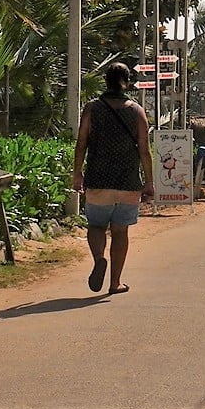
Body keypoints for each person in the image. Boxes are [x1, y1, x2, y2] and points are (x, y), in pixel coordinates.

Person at [73, 62, 154, 295]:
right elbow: (144, 149)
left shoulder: (92, 108)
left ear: (105, 81)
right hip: (128, 182)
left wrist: (77, 173)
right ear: (127, 83)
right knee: (121, 231)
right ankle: (115, 282)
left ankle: (99, 257)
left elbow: (81, 143)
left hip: (98, 180)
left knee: (96, 225)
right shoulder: (137, 111)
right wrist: (148, 183)